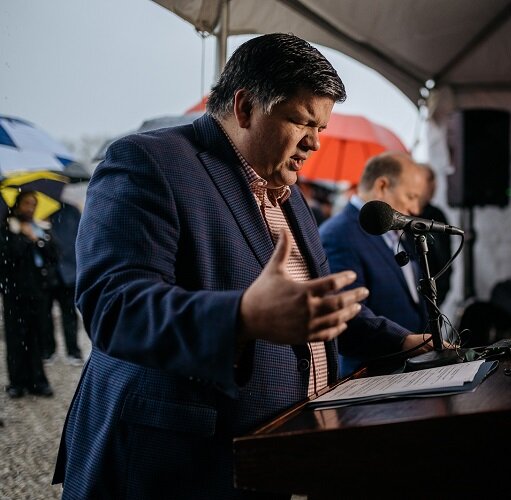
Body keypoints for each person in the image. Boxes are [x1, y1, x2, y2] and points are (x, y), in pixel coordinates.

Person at [52, 33, 433, 499]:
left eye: (322, 128)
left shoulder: (290, 192)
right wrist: (243, 316)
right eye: (302, 121)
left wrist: (400, 341)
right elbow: (113, 306)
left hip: (269, 455)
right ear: (246, 106)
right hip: (177, 464)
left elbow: (312, 304)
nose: (315, 143)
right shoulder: (147, 162)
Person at [319, 151, 432, 376]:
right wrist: (404, 341)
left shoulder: (396, 232)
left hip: (409, 371)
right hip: (371, 376)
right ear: (382, 186)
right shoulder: (338, 235)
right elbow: (346, 311)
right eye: (411, 196)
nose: (416, 210)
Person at [0, 191, 55, 398]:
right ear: (18, 205)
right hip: (15, 291)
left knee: (36, 336)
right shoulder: (8, 227)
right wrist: (22, 238)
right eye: (27, 203)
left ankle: (37, 380)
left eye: (33, 204)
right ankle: (17, 381)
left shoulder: (39, 227)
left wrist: (37, 239)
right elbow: (8, 255)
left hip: (37, 291)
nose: (30, 208)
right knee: (16, 337)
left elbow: (54, 254)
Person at [40, 202, 83, 365]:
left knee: (69, 313)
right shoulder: (39, 212)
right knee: (45, 314)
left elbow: (80, 236)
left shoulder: (71, 210)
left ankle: (73, 351)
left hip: (68, 271)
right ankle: (48, 350)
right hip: (46, 273)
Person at [417, 163, 453, 306]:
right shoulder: (406, 214)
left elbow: (445, 258)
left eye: (434, 180)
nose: (434, 185)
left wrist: (441, 292)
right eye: (429, 179)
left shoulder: (436, 214)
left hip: (433, 294)